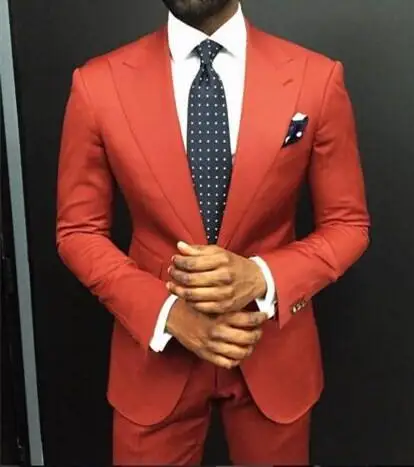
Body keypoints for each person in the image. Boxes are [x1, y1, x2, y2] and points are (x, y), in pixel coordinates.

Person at [56, 0, 370, 464]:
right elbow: (78, 231)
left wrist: (261, 277)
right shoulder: (97, 84)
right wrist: (167, 314)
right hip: (153, 360)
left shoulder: (316, 77)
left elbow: (348, 224)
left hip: (271, 347)